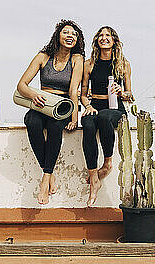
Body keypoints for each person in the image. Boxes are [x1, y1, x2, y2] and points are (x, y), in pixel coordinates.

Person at [17, 19, 84, 205]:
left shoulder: (77, 59)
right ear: (58, 35)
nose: (70, 36)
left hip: (62, 106)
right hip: (41, 103)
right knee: (32, 122)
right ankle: (50, 174)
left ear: (77, 40)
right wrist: (32, 95)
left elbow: (73, 91)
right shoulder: (42, 56)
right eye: (66, 32)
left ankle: (45, 179)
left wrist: (74, 117)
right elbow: (21, 85)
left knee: (55, 128)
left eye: (74, 34)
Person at [81, 26, 134, 206]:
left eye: (108, 35)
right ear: (96, 40)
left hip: (115, 108)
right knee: (87, 124)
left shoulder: (123, 64)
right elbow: (82, 94)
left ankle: (108, 162)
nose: (104, 38)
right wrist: (87, 106)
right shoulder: (89, 64)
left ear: (114, 40)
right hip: (94, 105)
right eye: (101, 35)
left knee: (104, 117)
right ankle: (94, 178)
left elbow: (130, 94)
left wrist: (122, 92)